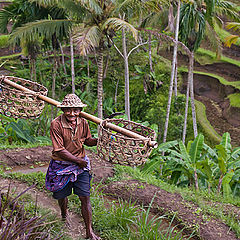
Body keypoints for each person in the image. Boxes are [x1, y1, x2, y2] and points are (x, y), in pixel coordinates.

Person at [45, 94, 101, 240]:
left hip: (80, 165)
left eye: (75, 110)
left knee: (85, 197)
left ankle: (89, 231)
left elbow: (87, 140)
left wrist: (99, 140)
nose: (72, 113)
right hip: (61, 165)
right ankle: (64, 214)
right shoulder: (56, 124)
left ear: (80, 110)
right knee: (62, 195)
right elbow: (59, 150)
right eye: (68, 110)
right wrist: (77, 160)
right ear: (63, 109)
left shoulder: (83, 123)